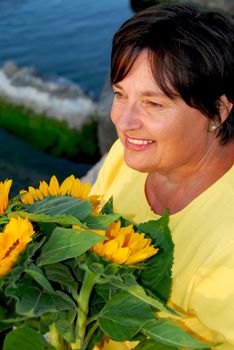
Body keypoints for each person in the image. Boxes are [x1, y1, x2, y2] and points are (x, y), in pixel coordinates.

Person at [91, 3, 234, 349]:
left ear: (218, 110)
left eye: (153, 104)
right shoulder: (126, 159)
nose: (124, 123)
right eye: (120, 95)